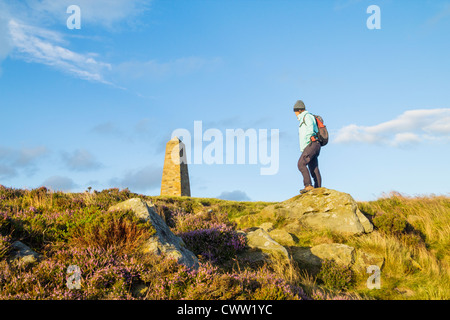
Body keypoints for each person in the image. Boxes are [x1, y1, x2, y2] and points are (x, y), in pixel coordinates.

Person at [293, 100, 322, 194]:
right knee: (313, 167)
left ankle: (308, 185)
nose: (295, 114)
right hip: (313, 144)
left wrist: (307, 143)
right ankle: (318, 188)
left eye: (295, 112)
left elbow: (310, 130)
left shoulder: (307, 116)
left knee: (301, 164)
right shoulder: (304, 118)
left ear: (299, 110)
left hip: (312, 144)